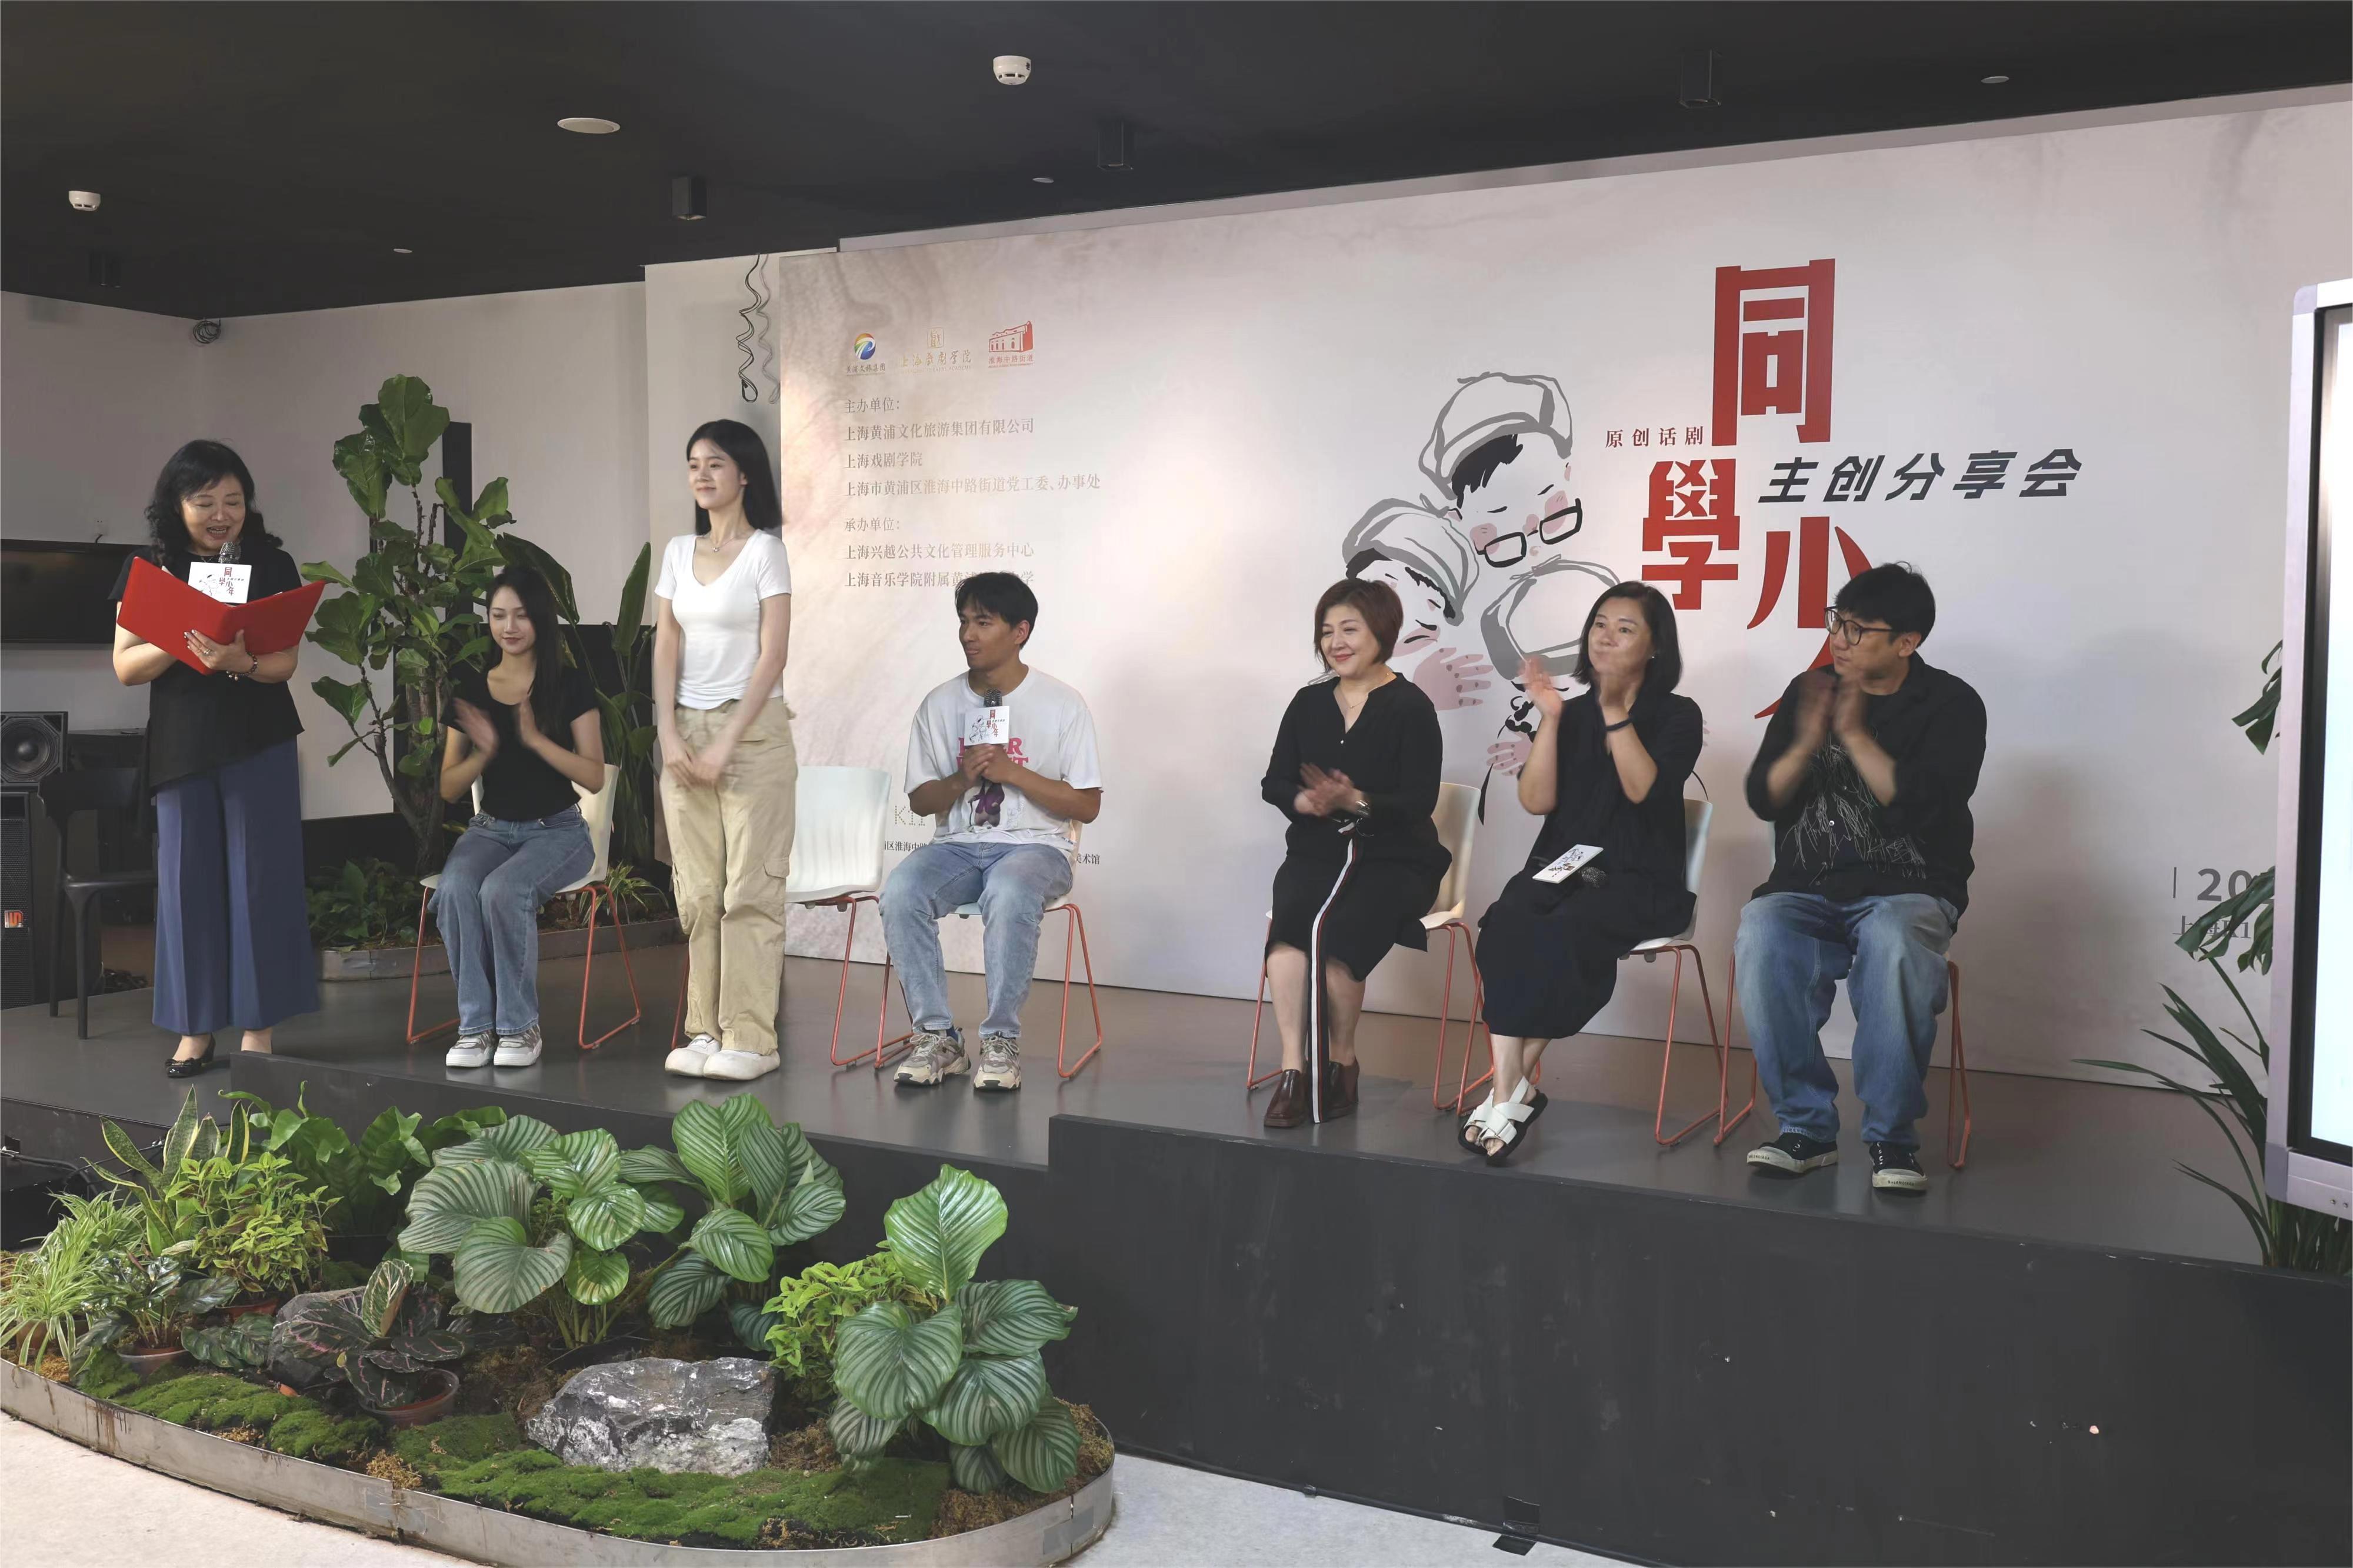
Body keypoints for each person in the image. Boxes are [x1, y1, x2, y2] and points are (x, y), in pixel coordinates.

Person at [1735, 563, 1985, 1193]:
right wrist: (1805, 742)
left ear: (1907, 642)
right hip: (1808, 886)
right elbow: (1764, 798)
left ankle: (1891, 1137)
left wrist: (1851, 733)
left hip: (1910, 887)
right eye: (1835, 621)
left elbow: (1922, 808)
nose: (1838, 639)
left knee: (1894, 939)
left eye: (1857, 629)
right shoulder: (1809, 690)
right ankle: (1805, 1129)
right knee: (1762, 929)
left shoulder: (1952, 705)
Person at [1459, 583, 1702, 1163]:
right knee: (1506, 922)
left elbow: (1641, 790)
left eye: (1624, 628)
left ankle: (1506, 1090)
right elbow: (1536, 800)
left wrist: (1616, 711)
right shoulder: (1570, 713)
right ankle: (1511, 1089)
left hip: (1640, 879)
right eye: (1599, 624)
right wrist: (1550, 719)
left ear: (1655, 647)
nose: (1605, 637)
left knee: (1563, 932)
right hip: (1561, 869)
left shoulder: (1678, 715)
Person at [109, 440, 319, 1076]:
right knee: (186, 889)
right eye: (205, 502)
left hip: (259, 737)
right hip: (182, 746)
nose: (222, 514)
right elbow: (125, 666)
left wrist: (240, 661)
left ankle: (258, 1031)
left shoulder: (271, 562)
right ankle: (194, 1032)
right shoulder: (150, 569)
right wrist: (183, 638)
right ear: (176, 505)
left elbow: (285, 663)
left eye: (233, 500)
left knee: (261, 883)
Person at [884, 572, 1103, 1092]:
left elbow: (1087, 805)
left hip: (1037, 847)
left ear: (1020, 631)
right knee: (901, 891)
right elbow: (920, 802)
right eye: (964, 622)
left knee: (1009, 890)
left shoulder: (1062, 703)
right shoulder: (939, 704)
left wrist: (1013, 773)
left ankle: (1001, 1040)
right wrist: (963, 779)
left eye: (983, 622)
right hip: (958, 846)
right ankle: (937, 1037)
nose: (968, 634)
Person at [1258, 579, 1449, 1129]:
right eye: (1327, 632)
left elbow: (1419, 802)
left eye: (1349, 630)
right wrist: (1305, 801)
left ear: (1381, 633)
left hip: (1394, 859)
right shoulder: (1308, 702)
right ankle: (1294, 1071)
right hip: (1316, 853)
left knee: (1340, 939)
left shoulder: (1411, 707)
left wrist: (1355, 801)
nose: (1336, 643)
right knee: (1290, 934)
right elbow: (1275, 782)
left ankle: (1342, 1063)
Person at [654, 418, 797, 1083]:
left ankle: (752, 1037)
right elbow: (666, 643)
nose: (702, 475)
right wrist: (668, 731)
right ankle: (705, 1030)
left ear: (744, 473)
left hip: (754, 735)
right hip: (685, 733)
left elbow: (773, 654)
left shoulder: (767, 551)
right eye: (693, 464)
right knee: (699, 892)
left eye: (715, 463)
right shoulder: (677, 551)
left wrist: (726, 743)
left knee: (749, 891)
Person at [432, 568, 605, 1070]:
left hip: (559, 832)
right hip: (491, 830)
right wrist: (485, 753)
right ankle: (475, 1028)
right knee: (455, 888)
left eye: (521, 616)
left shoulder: (569, 685)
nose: (509, 627)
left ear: (541, 620)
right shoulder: (471, 688)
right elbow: (448, 787)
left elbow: (594, 776)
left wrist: (535, 740)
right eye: (498, 615)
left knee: (503, 891)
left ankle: (518, 1026)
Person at [1340, 498, 1490, 712]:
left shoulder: (1442, 674)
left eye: (1433, 603)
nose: (1412, 616)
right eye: (1390, 585)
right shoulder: (1319, 696)